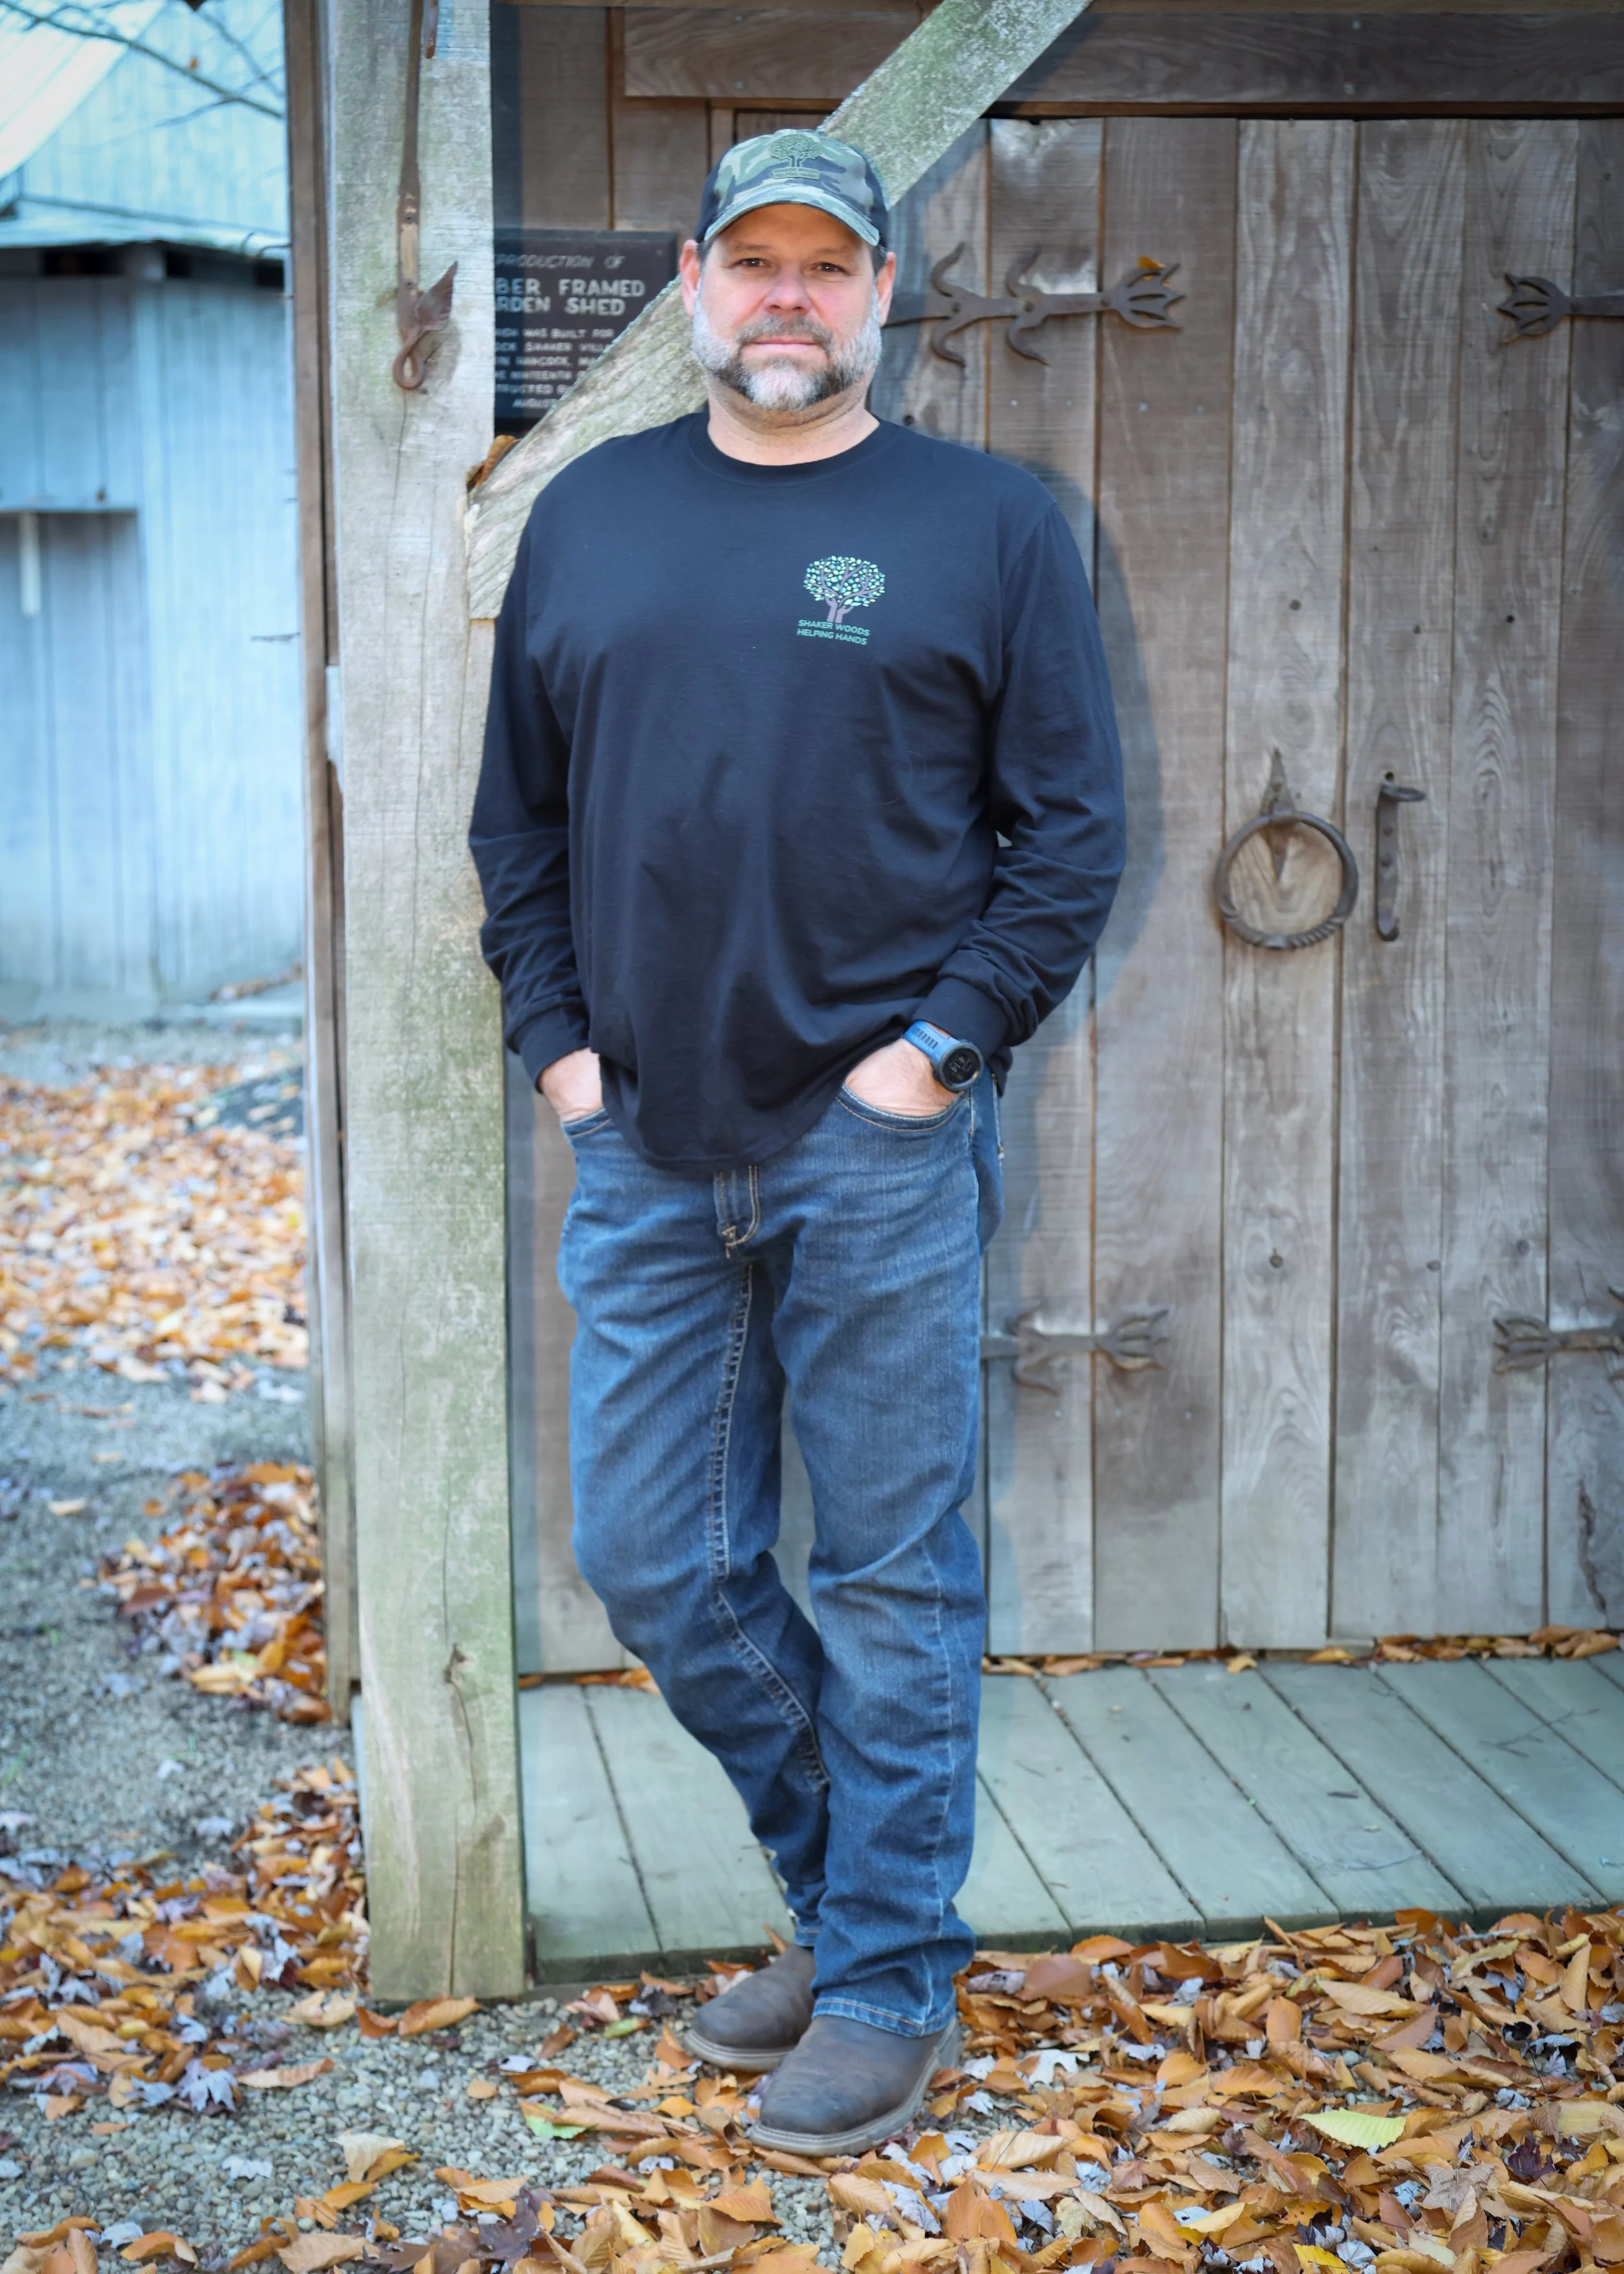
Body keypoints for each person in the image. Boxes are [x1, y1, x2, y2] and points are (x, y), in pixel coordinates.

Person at [471, 127, 1125, 2156]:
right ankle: (863, 1907)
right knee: (656, 1557)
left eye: (820, 268)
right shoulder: (588, 517)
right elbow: (519, 828)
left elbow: (1067, 837)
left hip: (877, 1144)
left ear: (878, 290)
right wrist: (567, 1065)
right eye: (749, 264)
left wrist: (927, 1058)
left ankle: (878, 1979)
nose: (784, 299)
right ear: (691, 282)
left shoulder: (990, 525)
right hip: (647, 1141)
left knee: (893, 1572)